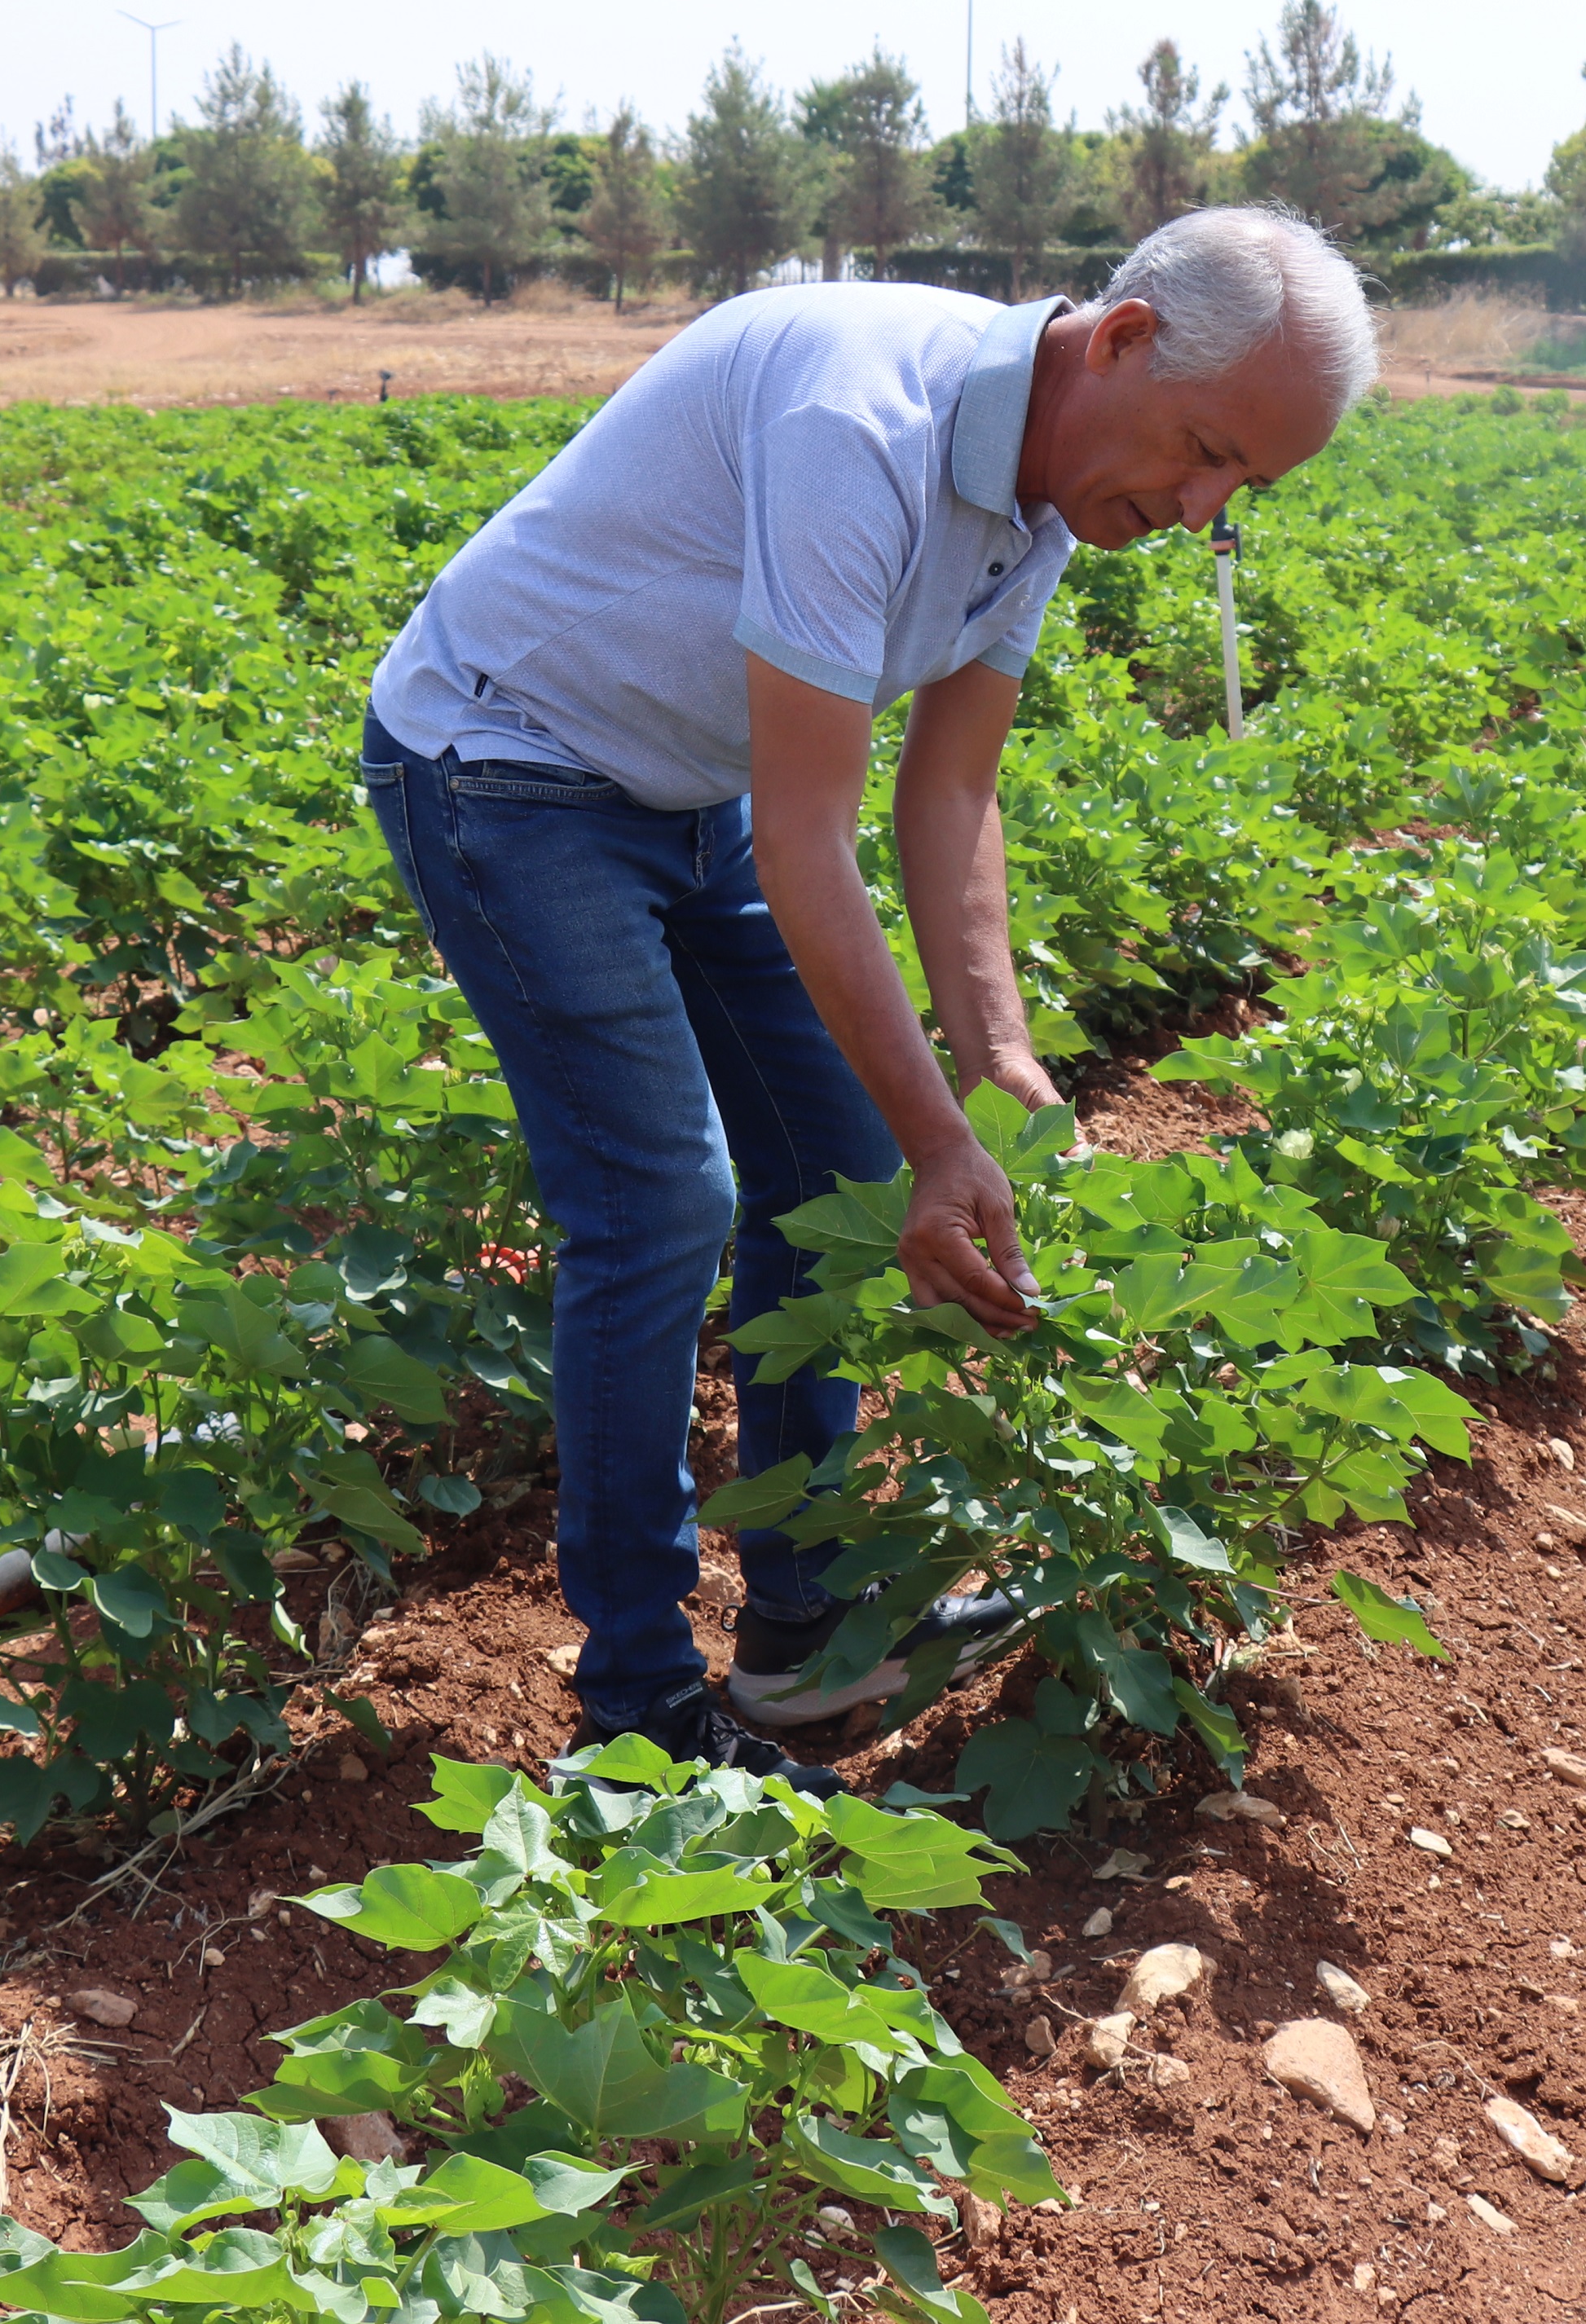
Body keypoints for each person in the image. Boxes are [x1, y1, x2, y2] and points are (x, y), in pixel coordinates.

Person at [358, 205, 1378, 1786]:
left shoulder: (1046, 501)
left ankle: (804, 1632)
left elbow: (947, 794)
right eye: (1201, 451)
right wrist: (934, 1137)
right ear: (1113, 340)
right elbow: (811, 833)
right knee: (658, 1202)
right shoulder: (862, 423)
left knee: (825, 1181)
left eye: (1241, 485)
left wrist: (1000, 1066)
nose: (1197, 508)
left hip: (689, 788)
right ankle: (636, 1703)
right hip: (508, 763)